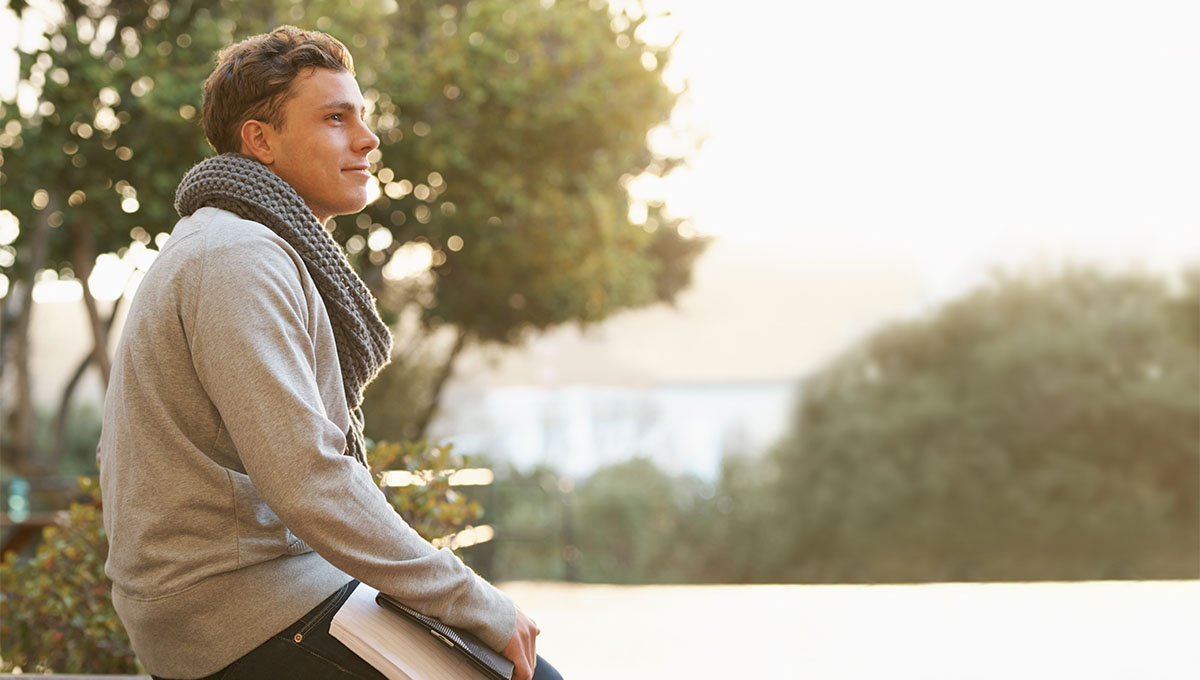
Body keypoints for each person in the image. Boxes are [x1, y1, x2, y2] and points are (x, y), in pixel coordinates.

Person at [98, 25, 559, 680]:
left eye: (362, 117)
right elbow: (307, 477)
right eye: (336, 119)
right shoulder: (237, 258)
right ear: (260, 140)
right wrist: (472, 600)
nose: (368, 140)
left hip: (270, 593)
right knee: (528, 677)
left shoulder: (245, 245)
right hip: (240, 615)